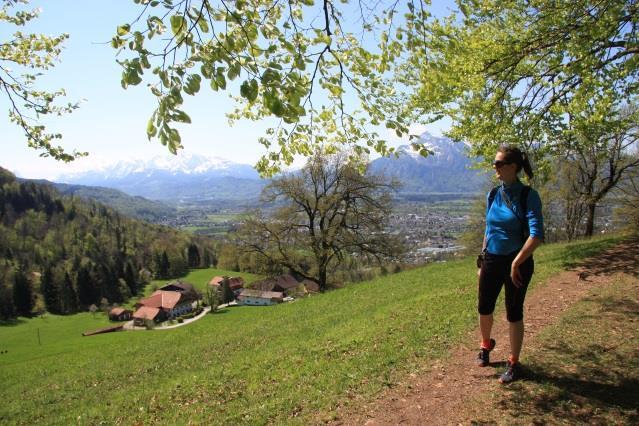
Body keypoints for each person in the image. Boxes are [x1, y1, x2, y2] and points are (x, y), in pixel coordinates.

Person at [476, 145, 544, 384]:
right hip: (492, 258)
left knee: (513, 313)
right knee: (484, 307)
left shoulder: (528, 196)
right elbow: (489, 227)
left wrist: (517, 261)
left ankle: (514, 363)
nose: (494, 167)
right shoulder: (493, 194)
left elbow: (536, 235)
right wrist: (483, 257)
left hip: (519, 260)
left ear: (512, 167)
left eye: (498, 164)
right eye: (494, 163)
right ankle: (485, 346)